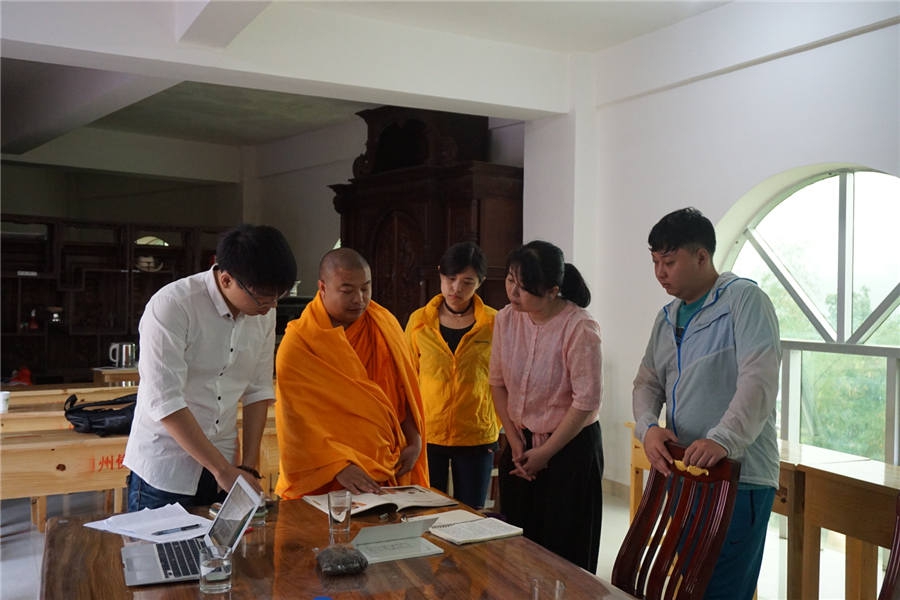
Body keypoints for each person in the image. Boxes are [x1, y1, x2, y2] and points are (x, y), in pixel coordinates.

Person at [632, 207, 781, 600]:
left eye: (669, 262)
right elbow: (647, 382)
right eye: (655, 262)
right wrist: (648, 428)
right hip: (685, 471)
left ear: (702, 256)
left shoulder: (744, 300)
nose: (660, 273)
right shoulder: (667, 317)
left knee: (723, 588)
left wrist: (723, 439)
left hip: (738, 475)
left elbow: (759, 379)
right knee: (692, 583)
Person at [124, 224, 297, 511]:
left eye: (279, 296)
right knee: (162, 542)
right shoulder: (172, 306)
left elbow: (257, 391)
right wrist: (223, 470)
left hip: (225, 464)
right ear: (226, 279)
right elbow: (166, 402)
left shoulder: (263, 313)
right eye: (263, 297)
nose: (272, 306)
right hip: (166, 466)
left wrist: (248, 465)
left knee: (222, 542)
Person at [275, 247, 428, 498]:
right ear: (322, 288)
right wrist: (336, 467)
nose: (359, 299)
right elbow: (296, 424)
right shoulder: (300, 344)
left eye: (365, 288)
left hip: (389, 468)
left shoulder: (384, 325)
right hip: (327, 481)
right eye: (347, 291)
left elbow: (405, 391)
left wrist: (415, 440)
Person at [489, 240, 603, 572]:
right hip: (521, 446)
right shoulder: (506, 319)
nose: (513, 292)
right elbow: (497, 383)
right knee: (519, 549)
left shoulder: (579, 327)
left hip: (569, 449)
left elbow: (586, 402)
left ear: (553, 291)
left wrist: (546, 452)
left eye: (525, 288)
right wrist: (514, 441)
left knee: (565, 554)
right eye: (510, 280)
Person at [405, 242, 499, 509]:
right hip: (429, 431)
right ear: (440, 274)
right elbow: (406, 377)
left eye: (467, 282)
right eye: (450, 278)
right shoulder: (419, 321)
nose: (456, 288)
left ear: (480, 282)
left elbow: (506, 379)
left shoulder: (494, 323)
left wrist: (493, 420)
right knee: (426, 510)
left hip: (476, 434)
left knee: (471, 513)